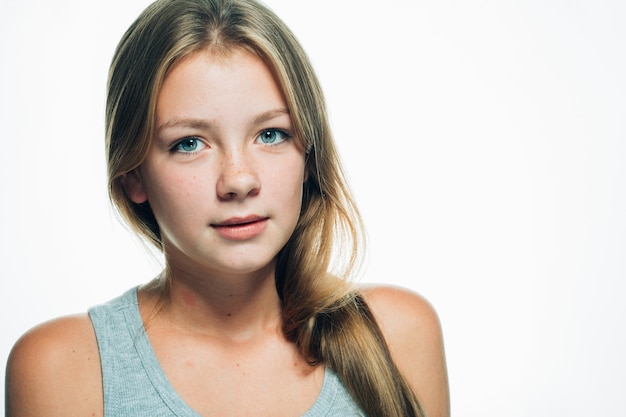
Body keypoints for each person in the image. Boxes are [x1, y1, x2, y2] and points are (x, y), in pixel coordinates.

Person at [5, 0, 449, 416]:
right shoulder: (64, 370)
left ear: (309, 156)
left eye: (271, 134)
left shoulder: (397, 336)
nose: (239, 179)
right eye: (189, 143)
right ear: (133, 175)